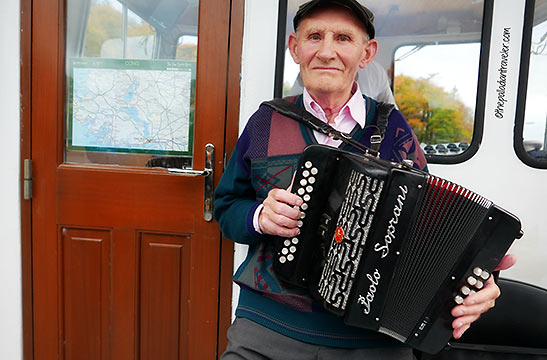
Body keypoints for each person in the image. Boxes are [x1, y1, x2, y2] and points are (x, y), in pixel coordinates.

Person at [214, 1, 516, 359]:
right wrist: (259, 217)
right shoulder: (264, 122)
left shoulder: (396, 131)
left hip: (372, 340)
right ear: (295, 48)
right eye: (314, 37)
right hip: (268, 328)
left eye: (343, 38)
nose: (327, 51)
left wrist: (475, 282)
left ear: (366, 53)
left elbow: (429, 232)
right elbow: (227, 207)